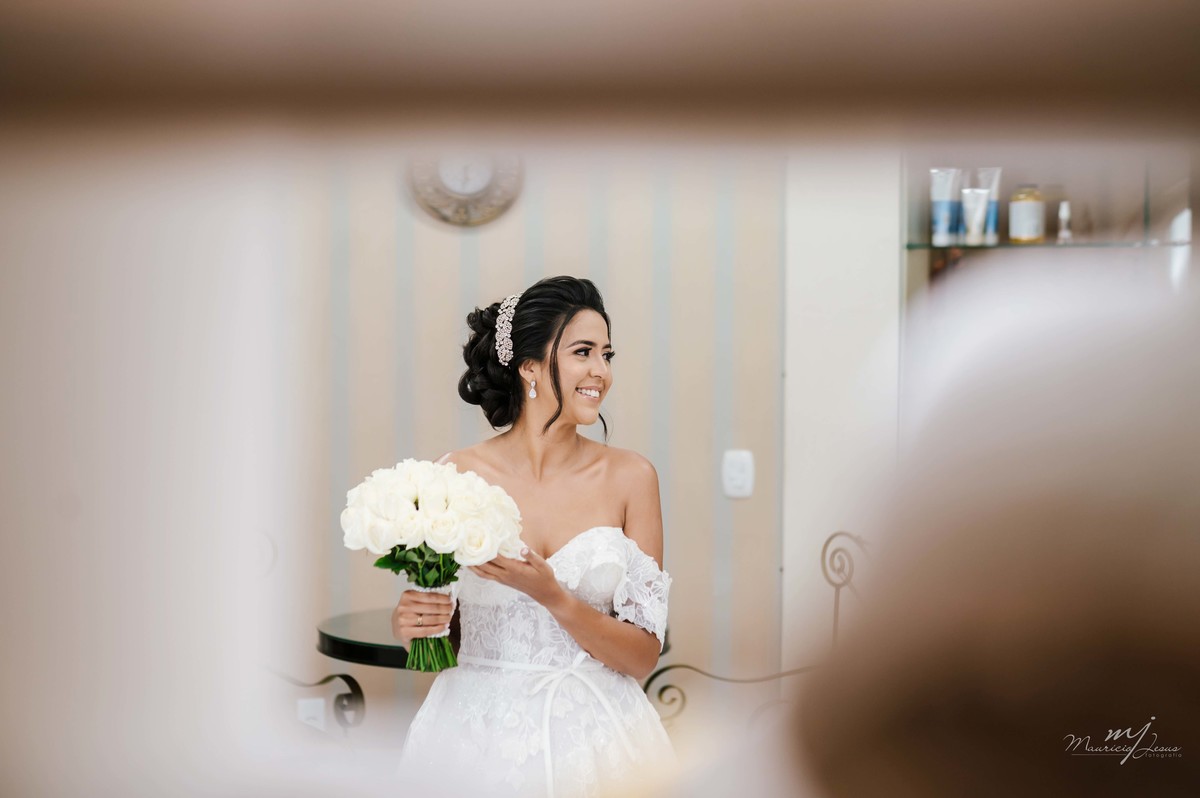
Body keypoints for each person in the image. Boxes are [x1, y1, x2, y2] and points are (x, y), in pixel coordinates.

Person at [391, 276, 678, 797]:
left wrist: (554, 597)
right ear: (528, 367)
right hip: (474, 737)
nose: (601, 371)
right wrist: (412, 624)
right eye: (583, 352)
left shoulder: (632, 478)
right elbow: (439, 641)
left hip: (599, 742)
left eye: (606, 355)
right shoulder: (454, 475)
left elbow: (641, 657)